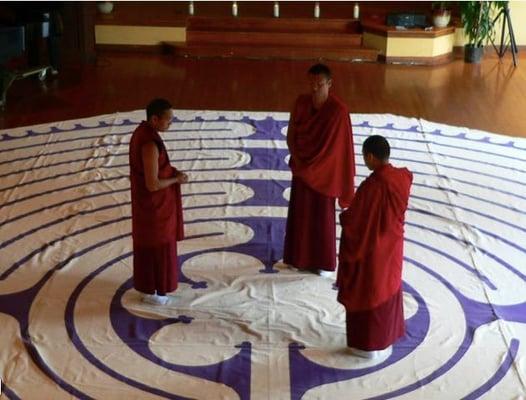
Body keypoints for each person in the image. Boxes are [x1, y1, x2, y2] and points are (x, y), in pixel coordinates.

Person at [337, 135, 412, 359]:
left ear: (370, 156)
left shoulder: (372, 187)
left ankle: (366, 344)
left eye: (364, 157)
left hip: (372, 250)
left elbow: (356, 220)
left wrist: (346, 218)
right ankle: (384, 338)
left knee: (368, 290)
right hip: (393, 246)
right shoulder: (401, 178)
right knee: (386, 287)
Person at [283, 63, 355, 277]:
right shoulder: (301, 103)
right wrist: (298, 158)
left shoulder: (338, 111)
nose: (314, 88)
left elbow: (338, 149)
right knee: (300, 213)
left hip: (324, 173)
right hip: (302, 167)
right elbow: (292, 134)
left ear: (330, 84)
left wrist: (313, 167)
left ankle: (323, 262)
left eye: (319, 84)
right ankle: (297, 258)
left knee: (321, 218)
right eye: (311, 83)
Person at [129, 98, 188, 305]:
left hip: (148, 206)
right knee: (159, 246)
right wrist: (176, 179)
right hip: (155, 208)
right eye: (168, 119)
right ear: (154, 119)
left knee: (150, 246)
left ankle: (149, 287)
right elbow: (152, 184)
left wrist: (172, 172)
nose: (171, 123)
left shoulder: (142, 132)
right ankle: (157, 291)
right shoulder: (149, 145)